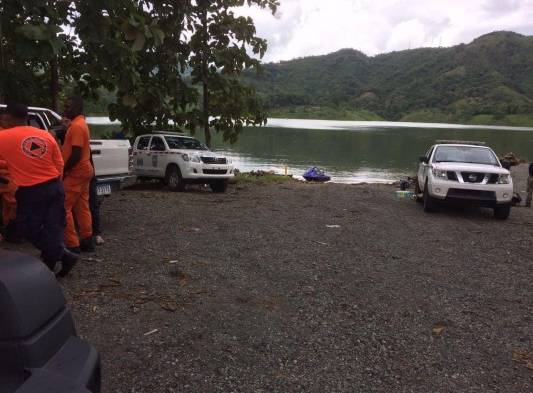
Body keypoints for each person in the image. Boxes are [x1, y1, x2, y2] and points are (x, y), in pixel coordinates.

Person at [0, 102, 78, 275]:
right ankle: (55, 261)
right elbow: (59, 163)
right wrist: (56, 183)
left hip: (30, 191)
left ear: (8, 117)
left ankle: (63, 256)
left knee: (27, 228)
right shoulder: (45, 135)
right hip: (54, 186)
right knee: (53, 227)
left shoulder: (3, 138)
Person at [62, 96, 95, 253]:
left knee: (63, 207)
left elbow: (75, 153)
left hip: (76, 171)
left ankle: (72, 244)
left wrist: (64, 170)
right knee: (82, 206)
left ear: (77, 108)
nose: (64, 108)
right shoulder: (80, 124)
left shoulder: (76, 127)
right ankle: (87, 239)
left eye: (68, 106)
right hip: (85, 170)